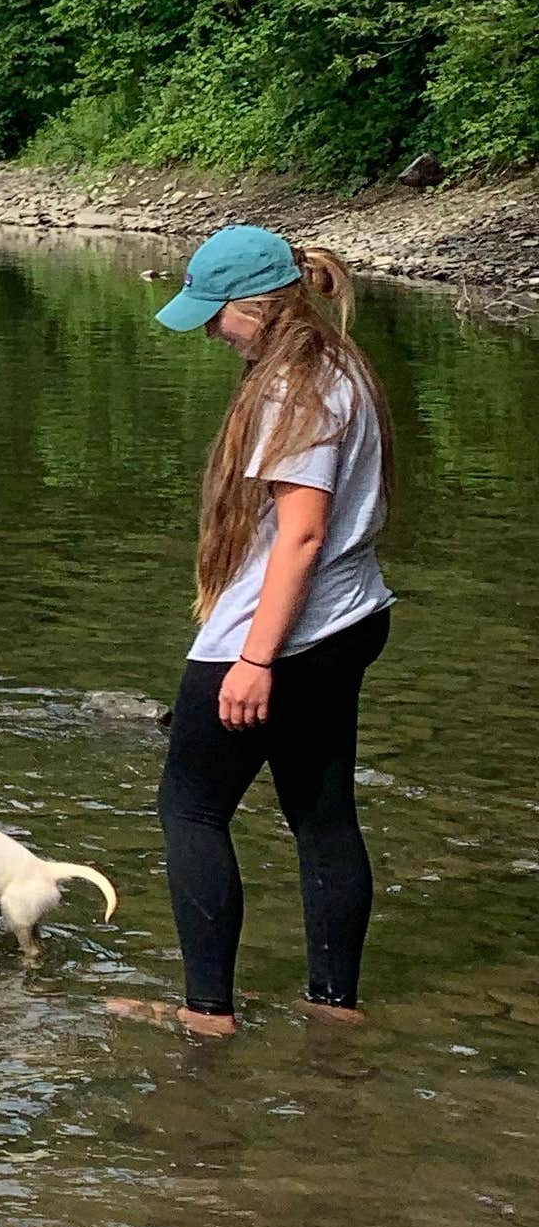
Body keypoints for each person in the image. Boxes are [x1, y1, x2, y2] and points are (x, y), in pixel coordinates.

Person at [108, 226, 394, 1041]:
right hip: (353, 615)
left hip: (282, 632)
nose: (206, 332)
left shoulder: (290, 390)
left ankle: (207, 1018)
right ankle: (332, 1007)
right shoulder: (341, 363)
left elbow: (301, 533)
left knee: (190, 809)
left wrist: (253, 660)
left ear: (261, 308)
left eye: (215, 315)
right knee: (323, 812)